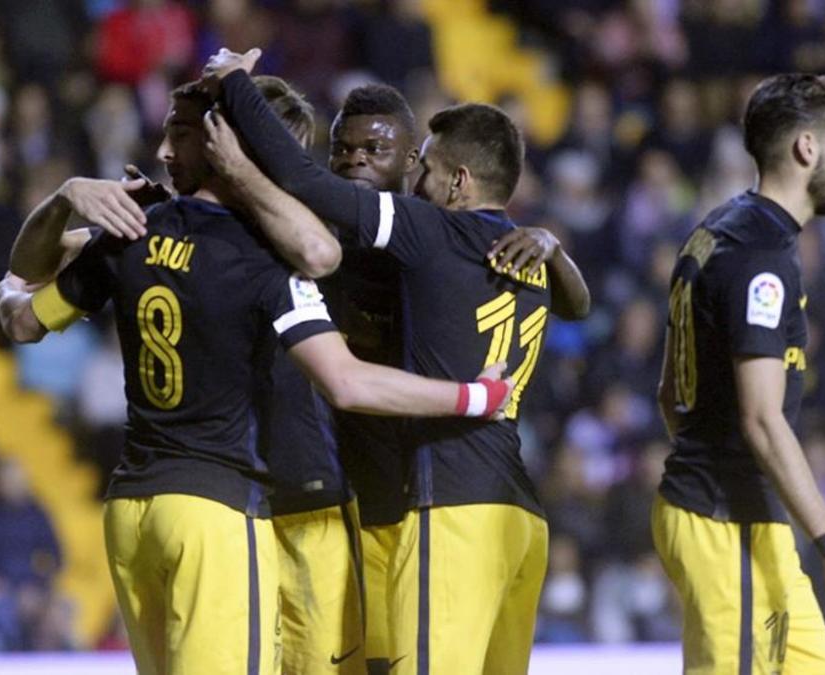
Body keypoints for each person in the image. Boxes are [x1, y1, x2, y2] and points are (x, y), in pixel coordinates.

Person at [0, 77, 514, 675]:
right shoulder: (211, 235)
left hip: (310, 505)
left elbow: (25, 300)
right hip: (229, 503)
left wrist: (547, 246)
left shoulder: (394, 243)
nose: (353, 163)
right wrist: (68, 195)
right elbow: (37, 262)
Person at [205, 47, 568, 675]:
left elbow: (306, 182)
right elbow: (580, 306)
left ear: (440, 176)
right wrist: (552, 247)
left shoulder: (420, 233)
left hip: (434, 507)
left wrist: (235, 89)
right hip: (460, 502)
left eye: (416, 163)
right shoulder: (501, 252)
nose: (353, 163)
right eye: (343, 149)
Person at [653, 73, 825, 674]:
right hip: (724, 522)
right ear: (807, 149)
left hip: (744, 515)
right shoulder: (760, 257)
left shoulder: (721, 232)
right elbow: (761, 419)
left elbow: (670, 395)